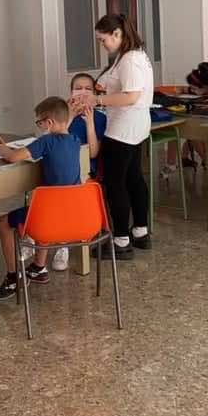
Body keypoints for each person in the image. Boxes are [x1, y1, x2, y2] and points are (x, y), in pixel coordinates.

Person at [72, 14, 153, 258]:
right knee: (134, 178)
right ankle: (140, 232)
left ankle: (120, 241)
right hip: (133, 128)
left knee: (116, 184)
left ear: (117, 34)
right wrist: (97, 89)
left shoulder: (130, 60)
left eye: (103, 39)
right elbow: (115, 84)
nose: (102, 44)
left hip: (123, 131)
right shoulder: (130, 55)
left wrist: (96, 100)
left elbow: (131, 96)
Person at [0, 96, 81, 299]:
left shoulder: (46, 141)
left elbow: (12, 157)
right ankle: (38, 267)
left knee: (4, 222)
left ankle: (13, 277)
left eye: (39, 122)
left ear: (49, 122)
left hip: (49, 217)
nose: (39, 126)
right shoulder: (76, 141)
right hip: (72, 214)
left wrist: (2, 148)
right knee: (46, 208)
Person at [49, 74, 108, 272]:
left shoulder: (100, 118)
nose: (82, 92)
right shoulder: (62, 116)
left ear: (94, 93)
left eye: (88, 89)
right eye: (78, 88)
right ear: (70, 92)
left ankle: (62, 243)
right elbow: (51, 142)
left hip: (85, 171)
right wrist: (70, 117)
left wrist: (89, 122)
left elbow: (93, 152)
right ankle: (38, 234)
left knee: (66, 190)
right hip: (60, 168)